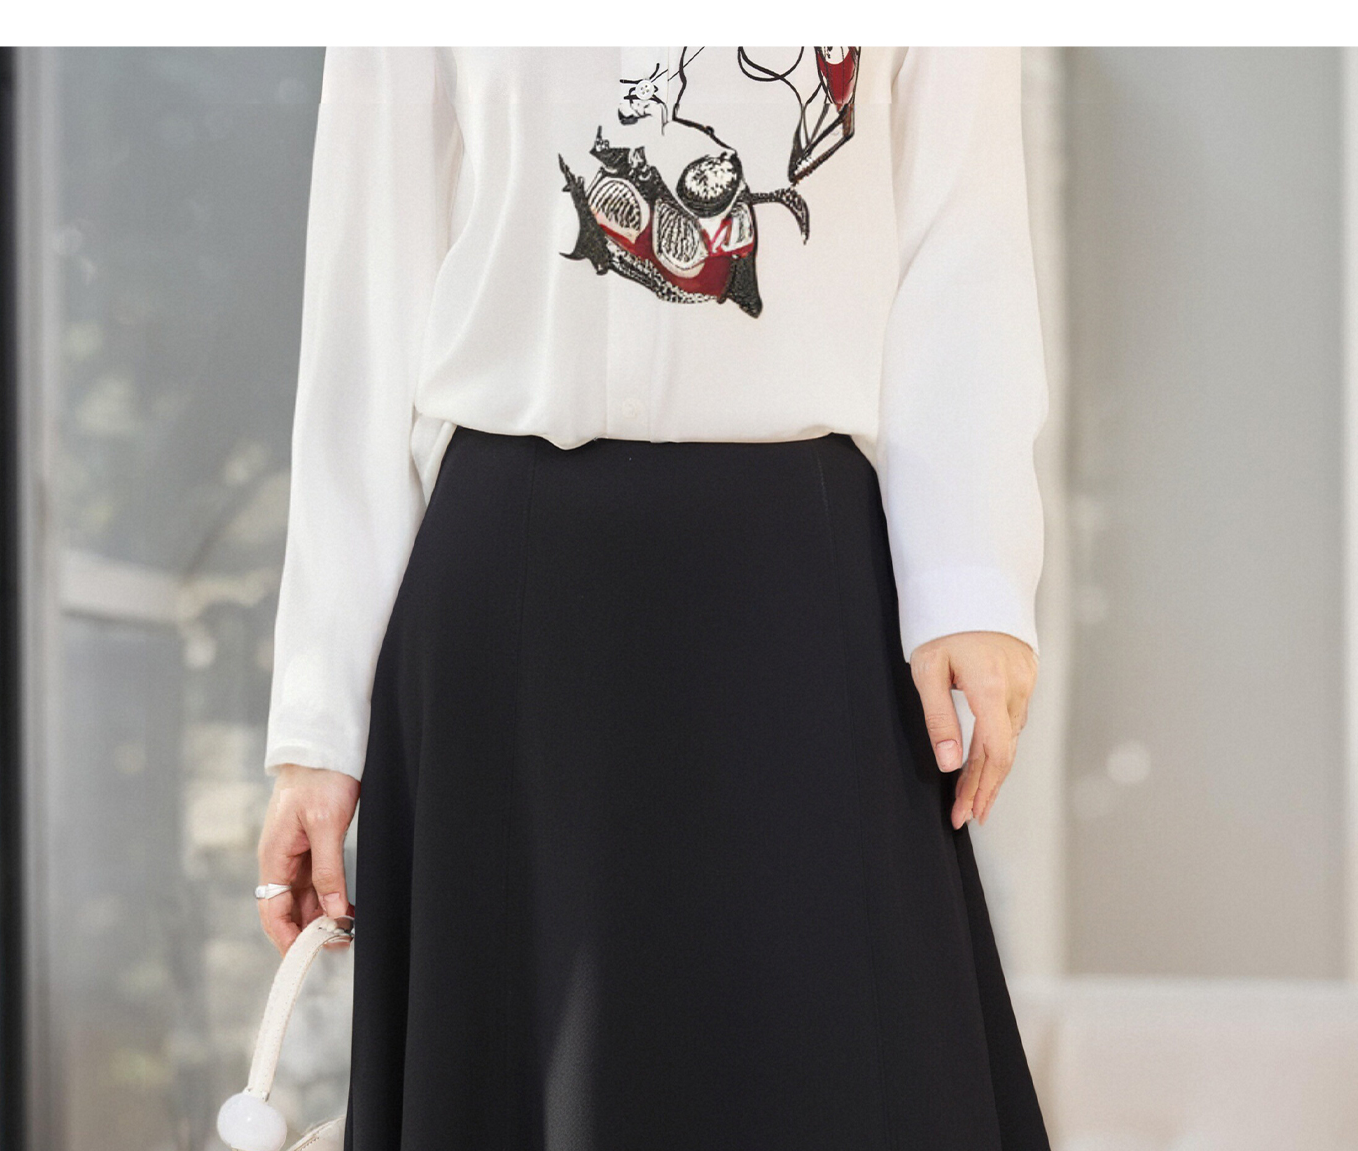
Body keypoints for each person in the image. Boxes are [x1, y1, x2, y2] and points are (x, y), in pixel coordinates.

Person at [256, 46, 1051, 1149]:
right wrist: (319, 723)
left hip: (807, 579)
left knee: (834, 1064)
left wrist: (971, 578)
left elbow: (963, 235)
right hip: (509, 587)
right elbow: (365, 281)